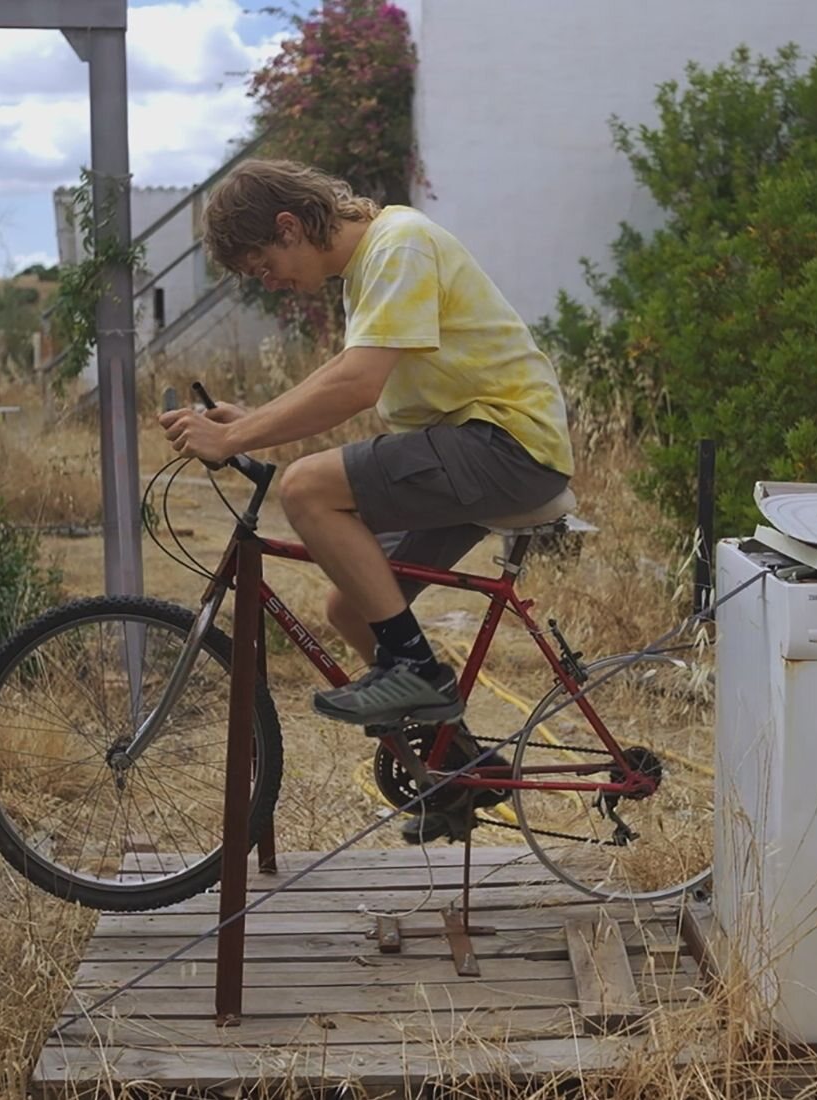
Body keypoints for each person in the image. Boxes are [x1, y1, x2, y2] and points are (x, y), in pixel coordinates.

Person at [158, 159, 575, 735]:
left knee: (305, 487)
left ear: (289, 227)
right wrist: (257, 419)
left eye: (265, 266)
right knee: (351, 606)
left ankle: (416, 672)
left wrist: (232, 436)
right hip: (473, 447)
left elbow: (357, 384)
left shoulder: (398, 245)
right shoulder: (371, 264)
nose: (270, 283)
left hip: (505, 444)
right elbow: (346, 370)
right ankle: (455, 769)